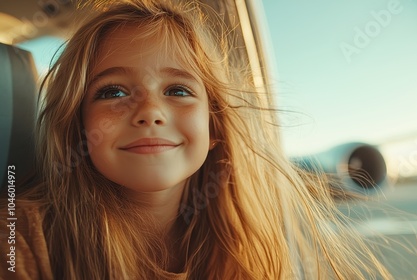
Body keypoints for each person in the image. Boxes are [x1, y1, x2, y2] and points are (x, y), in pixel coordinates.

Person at [1, 0, 396, 279]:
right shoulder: (20, 237)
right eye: (112, 92)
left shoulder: (245, 244)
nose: (150, 111)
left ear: (214, 130)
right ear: (76, 127)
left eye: (177, 90)